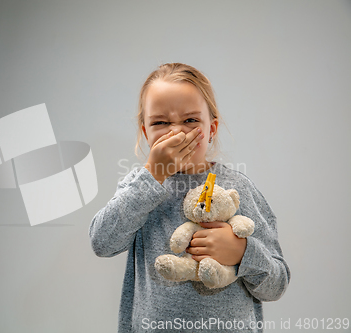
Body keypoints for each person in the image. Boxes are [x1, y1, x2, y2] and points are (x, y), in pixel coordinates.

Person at [88, 63, 290, 332]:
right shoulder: (140, 186)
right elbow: (102, 242)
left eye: (191, 120)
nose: (177, 132)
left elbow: (276, 284)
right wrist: (153, 175)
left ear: (212, 129)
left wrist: (243, 253)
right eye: (160, 122)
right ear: (146, 132)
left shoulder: (238, 187)